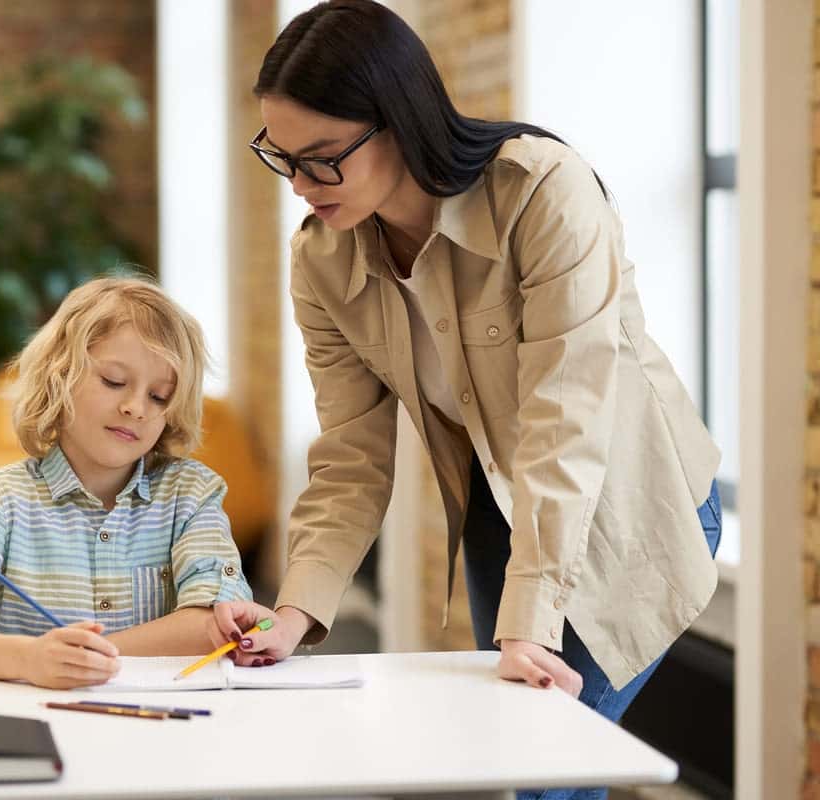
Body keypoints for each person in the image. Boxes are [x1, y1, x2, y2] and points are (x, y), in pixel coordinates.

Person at [212, 3, 721, 796]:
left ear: (397, 122)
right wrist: (296, 615)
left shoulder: (541, 192)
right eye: (283, 160)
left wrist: (527, 623)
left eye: (322, 160)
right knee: (520, 767)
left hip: (629, 504)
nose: (302, 188)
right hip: (500, 514)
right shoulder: (320, 261)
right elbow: (351, 452)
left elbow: (566, 419)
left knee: (547, 770)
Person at [0, 276, 253, 689]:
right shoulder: (1, 499)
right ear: (58, 376)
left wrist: (83, 659)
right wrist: (29, 659)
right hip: (36, 726)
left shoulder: (192, 495)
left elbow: (217, 623)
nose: (135, 407)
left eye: (159, 396)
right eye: (114, 381)